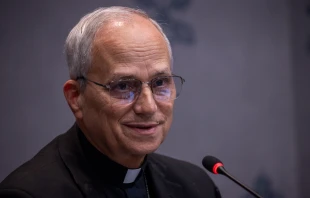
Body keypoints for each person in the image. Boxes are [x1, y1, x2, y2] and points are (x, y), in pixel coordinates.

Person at [0, 6, 221, 198]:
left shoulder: (196, 186)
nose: (148, 107)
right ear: (76, 97)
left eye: (160, 82)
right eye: (123, 86)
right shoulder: (28, 193)